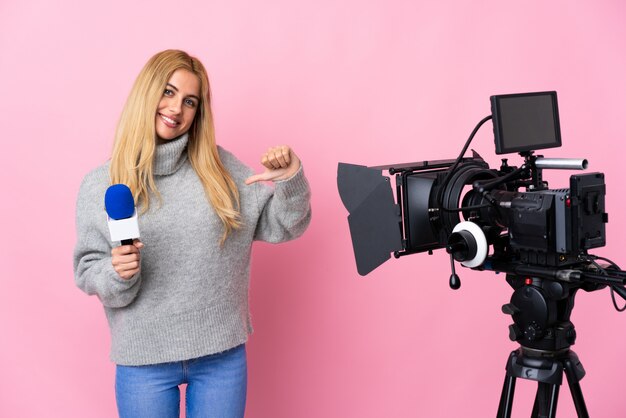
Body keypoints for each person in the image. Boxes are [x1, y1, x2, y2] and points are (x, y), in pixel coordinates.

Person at [73, 49, 311, 418]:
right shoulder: (101, 184)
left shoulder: (219, 169)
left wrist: (291, 180)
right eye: (168, 92)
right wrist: (115, 271)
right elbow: (88, 268)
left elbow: (284, 225)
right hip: (144, 360)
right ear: (146, 93)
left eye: (190, 101)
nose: (176, 109)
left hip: (221, 358)